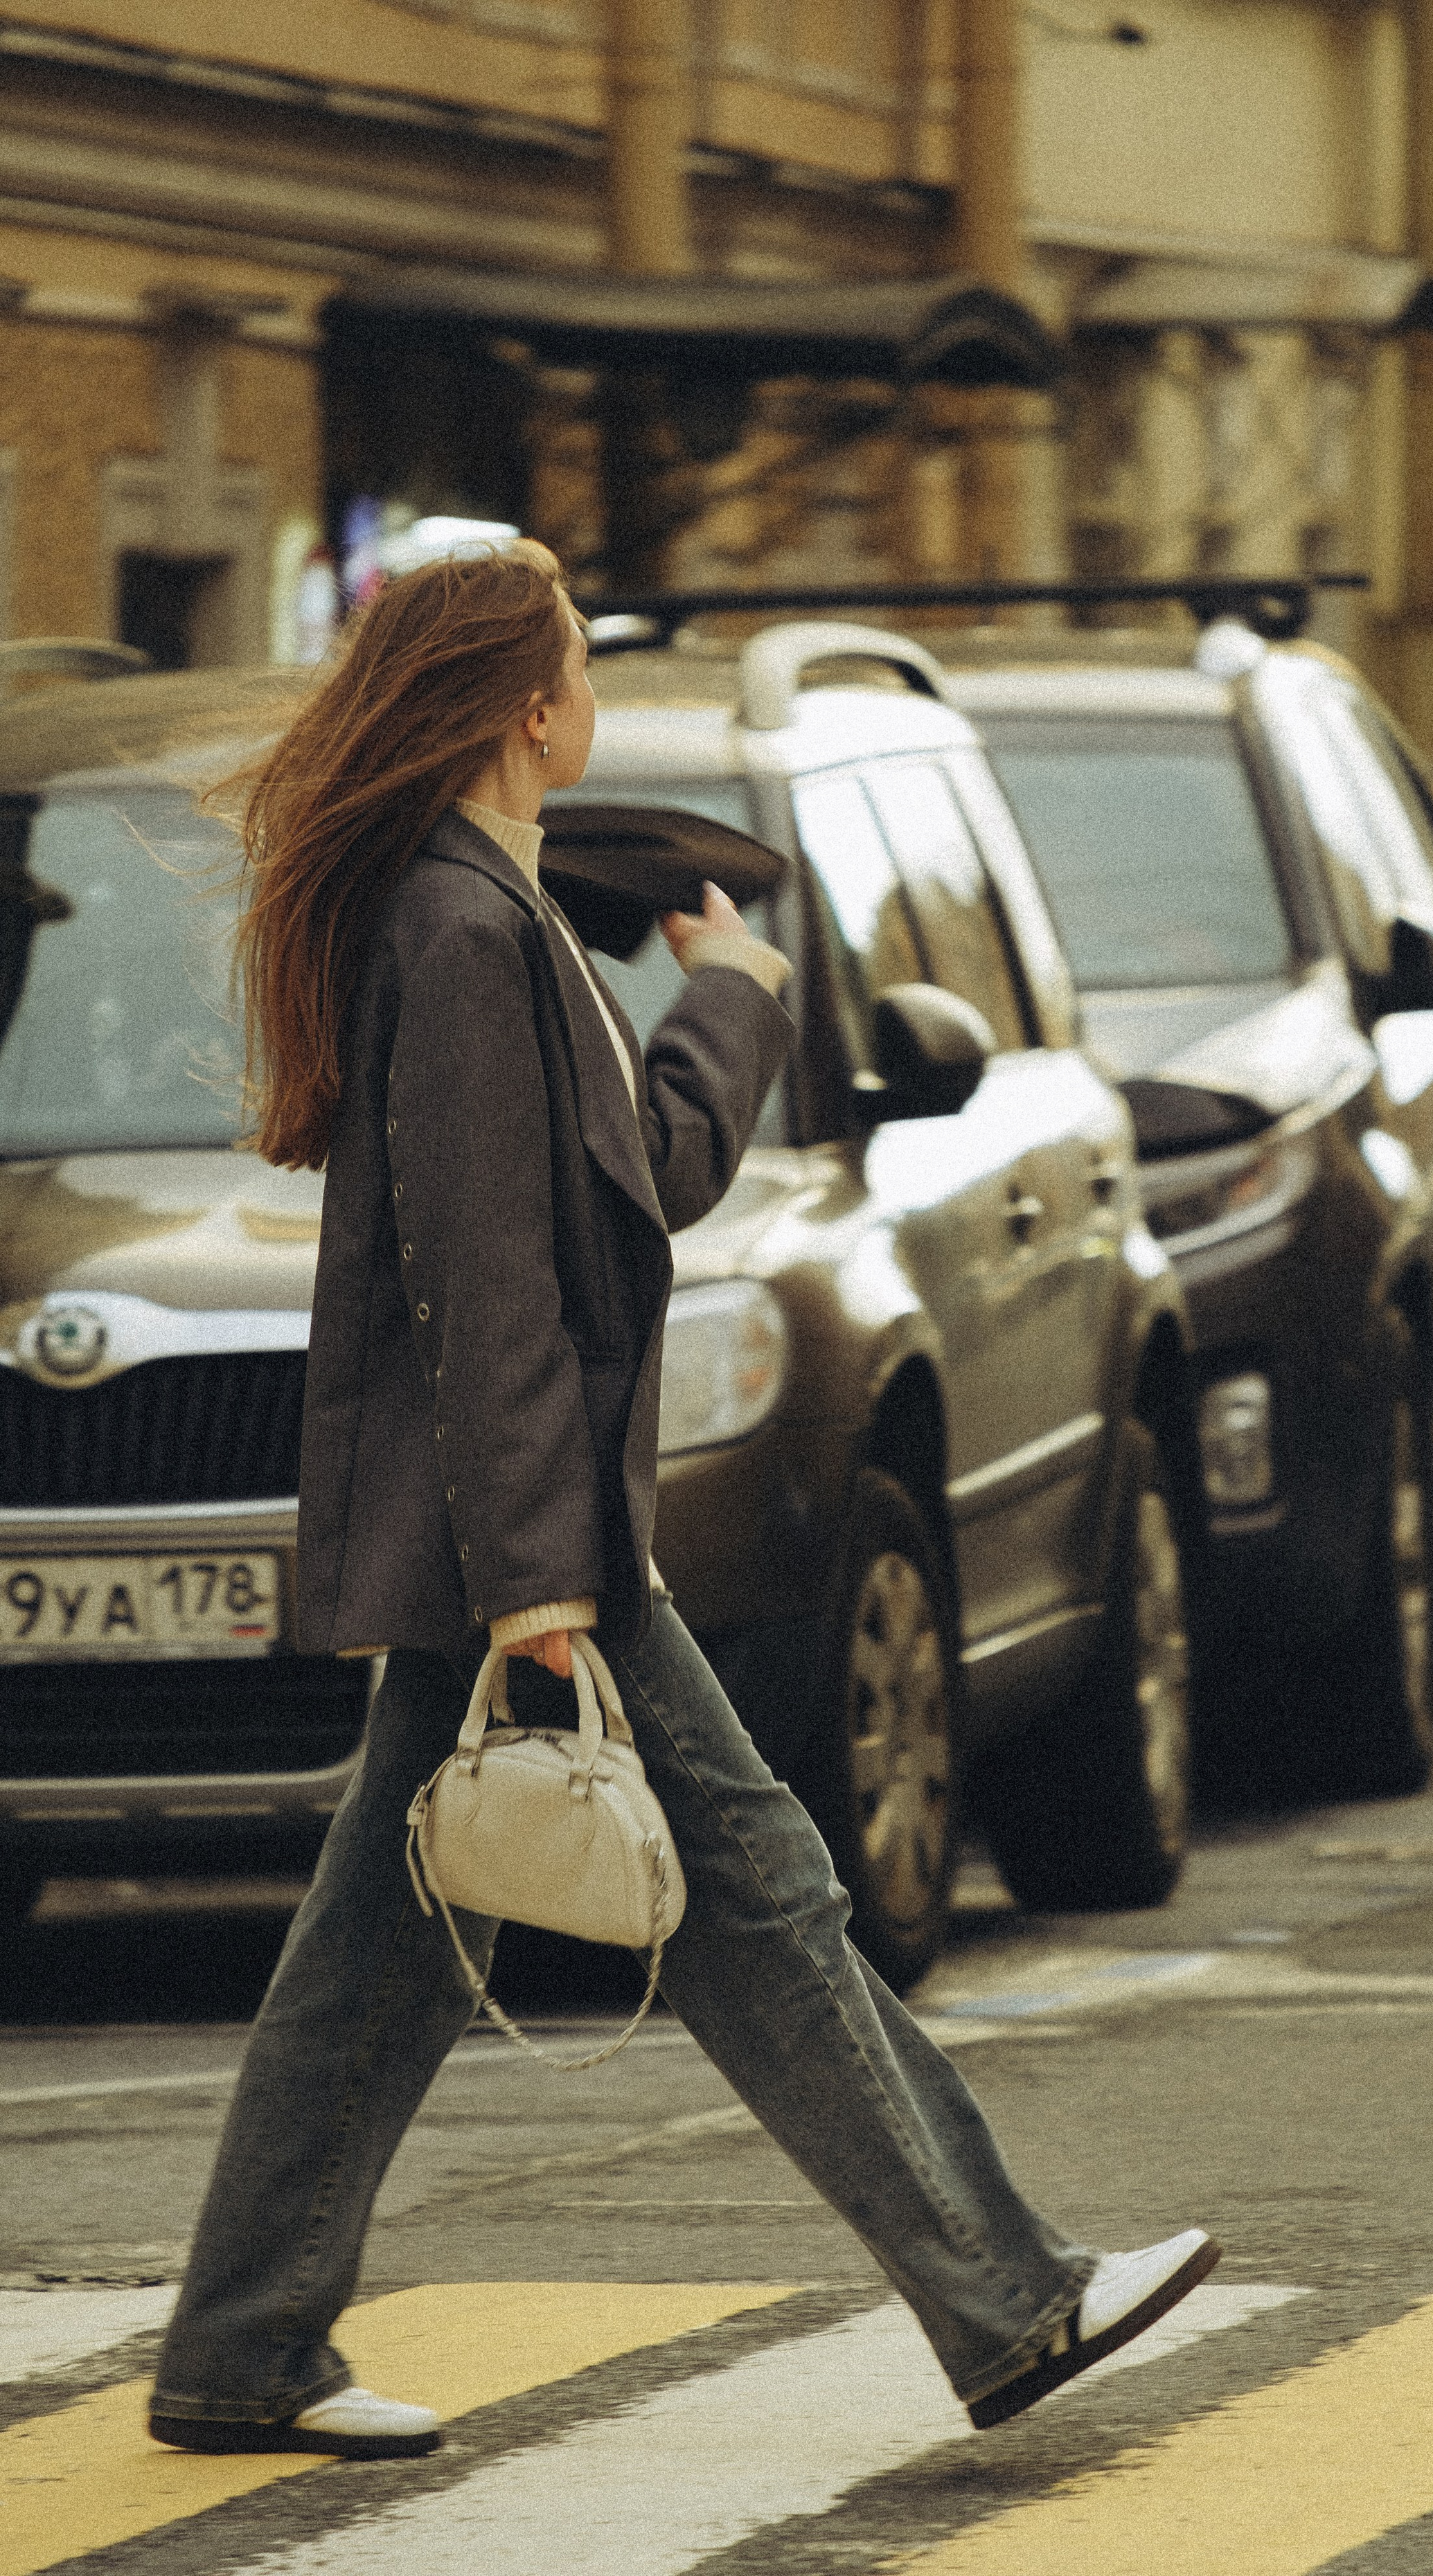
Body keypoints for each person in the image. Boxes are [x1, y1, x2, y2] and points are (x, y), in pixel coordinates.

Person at [146, 540, 1219, 2460]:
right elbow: (486, 1274)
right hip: (529, 1544)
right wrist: (542, 1581)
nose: (587, 702)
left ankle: (243, 2341)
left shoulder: (478, 906)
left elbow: (632, 1175)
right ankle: (1008, 2296)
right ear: (513, 703)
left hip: (517, 1533)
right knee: (777, 1905)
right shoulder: (462, 929)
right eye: (572, 664)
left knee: (385, 1958)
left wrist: (726, 994)